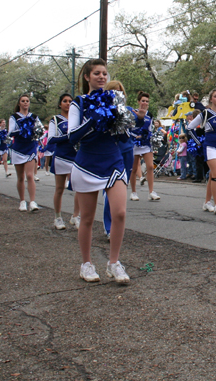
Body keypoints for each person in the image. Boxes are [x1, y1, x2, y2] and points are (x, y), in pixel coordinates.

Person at [68, 59, 130, 284]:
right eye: (97, 73)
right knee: (86, 218)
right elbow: (72, 137)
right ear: (87, 77)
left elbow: (122, 136)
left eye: (104, 73)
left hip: (113, 161)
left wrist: (123, 123)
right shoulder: (79, 103)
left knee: (120, 213)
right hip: (87, 164)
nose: (102, 77)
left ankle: (114, 263)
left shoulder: (115, 100)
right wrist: (93, 121)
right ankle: (86, 264)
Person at [187, 89, 216, 214]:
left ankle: (207, 202)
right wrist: (198, 142)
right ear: (211, 99)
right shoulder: (205, 113)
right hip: (210, 147)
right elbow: (190, 127)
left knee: (213, 176)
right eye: (215, 96)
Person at [104, 80, 135, 239]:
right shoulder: (103, 110)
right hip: (111, 153)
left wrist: (141, 117)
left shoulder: (128, 110)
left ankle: (117, 224)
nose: (117, 93)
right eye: (114, 91)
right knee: (110, 189)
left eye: (120, 91)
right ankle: (109, 227)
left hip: (127, 151)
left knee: (122, 188)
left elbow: (136, 126)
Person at [47, 93, 79, 230]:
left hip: (76, 157)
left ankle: (76, 215)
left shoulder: (77, 118)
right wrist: (68, 136)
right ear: (60, 104)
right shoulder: (55, 120)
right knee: (59, 189)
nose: (67, 103)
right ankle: (58, 217)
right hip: (61, 157)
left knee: (78, 188)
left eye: (70, 101)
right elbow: (51, 139)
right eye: (65, 101)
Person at [8, 94, 39, 212]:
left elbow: (39, 129)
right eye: (23, 101)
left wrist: (36, 132)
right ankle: (22, 201)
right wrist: (23, 129)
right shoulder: (14, 117)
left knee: (30, 175)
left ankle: (32, 201)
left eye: (27, 101)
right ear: (19, 103)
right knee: (20, 177)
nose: (25, 103)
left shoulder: (34, 117)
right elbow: (11, 132)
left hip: (30, 147)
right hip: (18, 149)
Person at [129, 91, 159, 202]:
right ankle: (133, 192)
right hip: (135, 143)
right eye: (143, 101)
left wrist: (150, 137)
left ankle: (151, 192)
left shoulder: (149, 115)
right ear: (138, 102)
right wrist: (135, 136)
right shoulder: (133, 113)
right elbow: (129, 128)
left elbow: (150, 129)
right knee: (134, 168)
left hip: (146, 143)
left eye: (147, 101)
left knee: (150, 166)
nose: (145, 103)